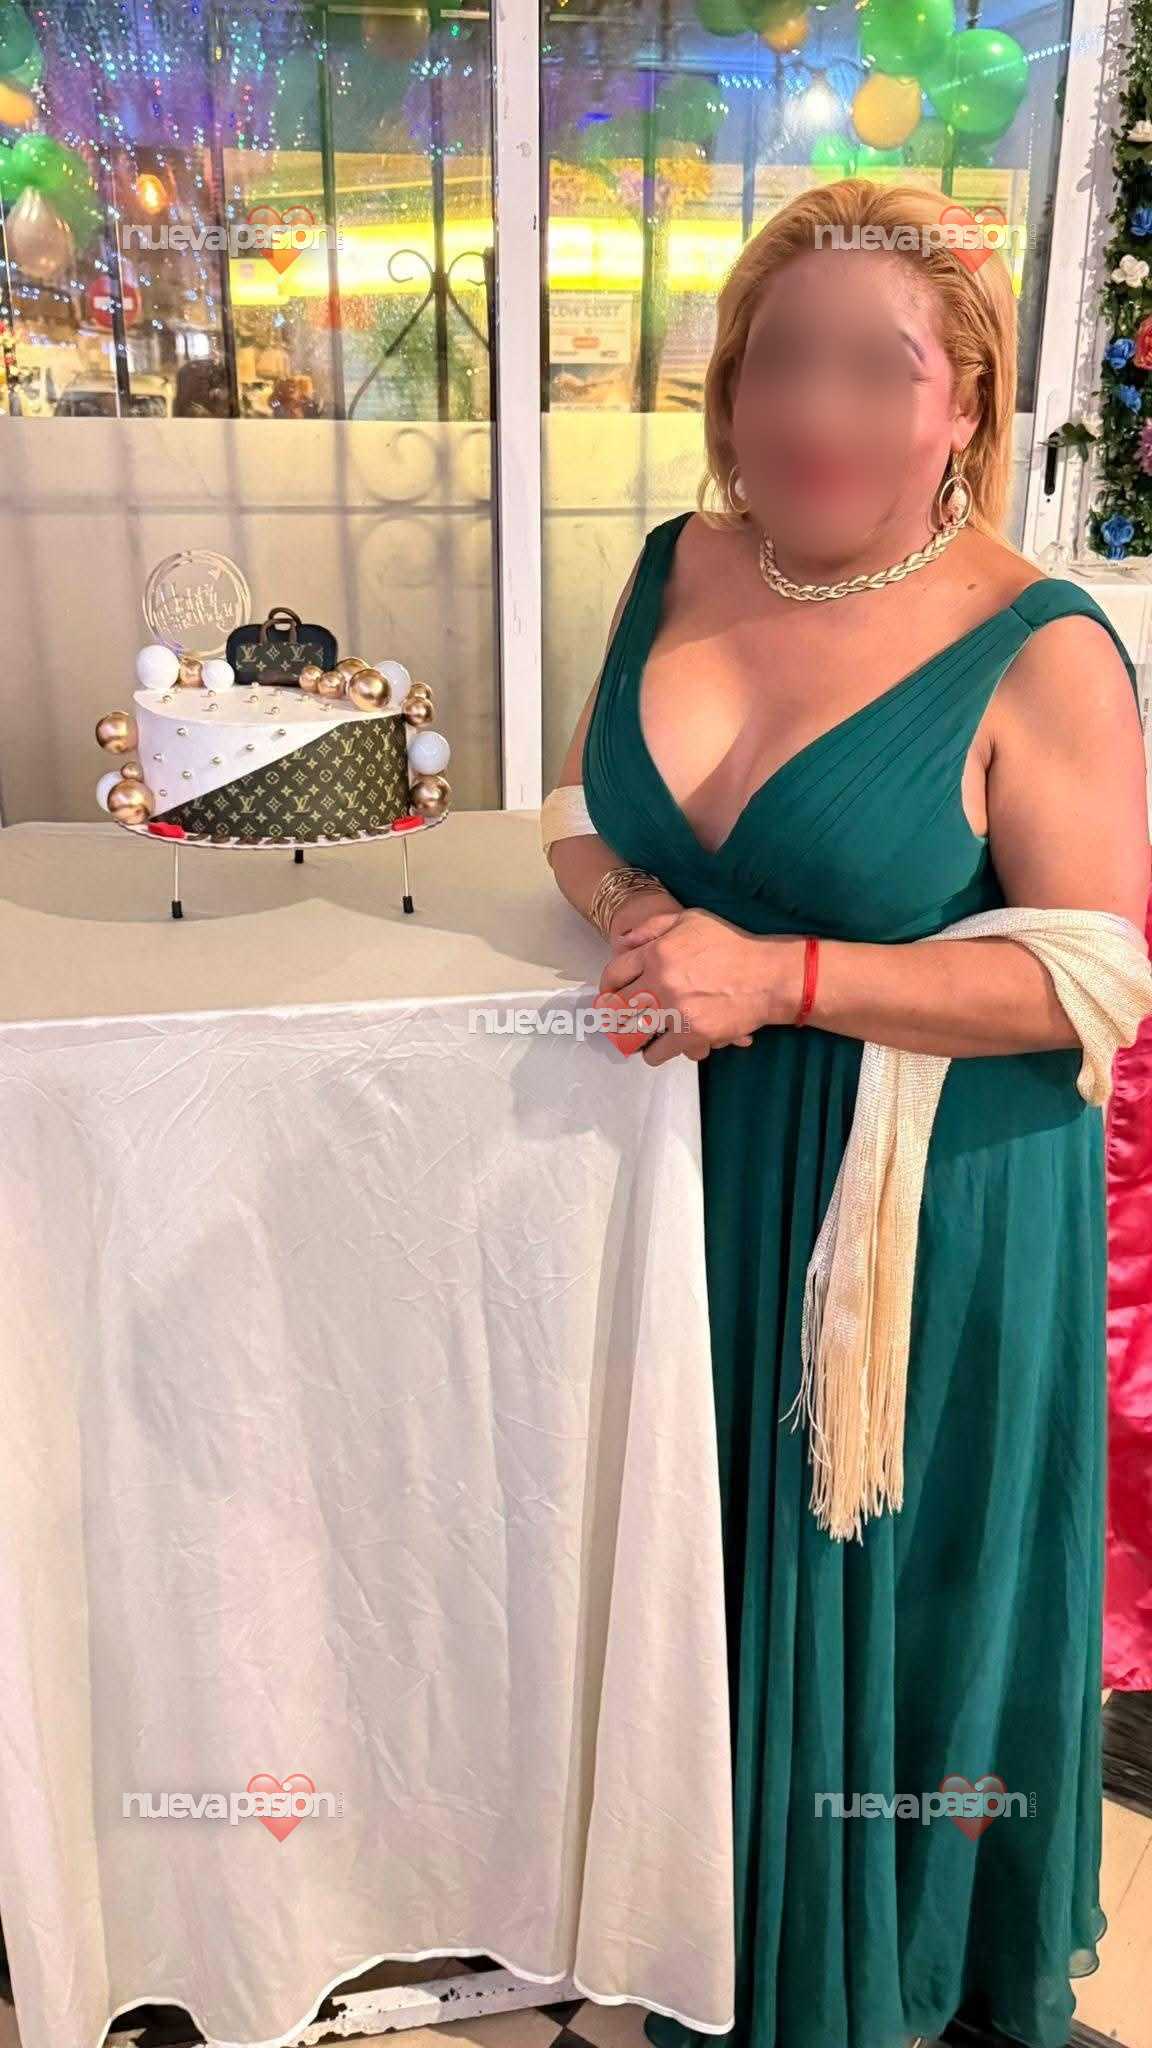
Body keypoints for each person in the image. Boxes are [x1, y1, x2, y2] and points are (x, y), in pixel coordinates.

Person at [544, 179, 1151, 2048]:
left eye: (877, 368)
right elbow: (581, 819)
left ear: (962, 404)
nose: (815, 407)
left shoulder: (1041, 644)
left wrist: (778, 976)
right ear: (727, 392)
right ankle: (695, 1938)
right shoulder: (678, 562)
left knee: (881, 1616)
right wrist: (639, 912)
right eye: (776, 361)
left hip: (920, 1222)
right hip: (694, 1178)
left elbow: (1095, 979)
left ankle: (878, 1983)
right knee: (702, 1589)